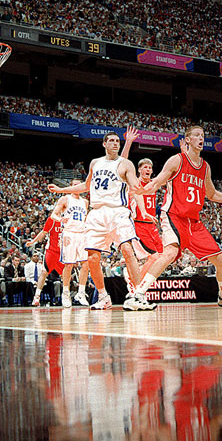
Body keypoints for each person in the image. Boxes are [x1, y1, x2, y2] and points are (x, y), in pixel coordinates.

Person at [125, 125, 222, 310]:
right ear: (188, 139)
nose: (201, 138)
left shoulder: (205, 167)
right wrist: (144, 189)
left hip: (194, 222)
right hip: (174, 216)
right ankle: (138, 295)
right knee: (170, 253)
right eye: (197, 135)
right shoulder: (177, 160)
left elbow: (212, 195)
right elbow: (157, 181)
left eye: (203, 135)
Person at [48, 130, 150, 310]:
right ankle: (103, 297)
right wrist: (61, 190)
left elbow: (135, 187)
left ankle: (139, 295)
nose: (115, 143)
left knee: (127, 249)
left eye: (117, 141)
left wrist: (143, 202)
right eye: (111, 140)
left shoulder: (126, 164)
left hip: (117, 211)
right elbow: (86, 186)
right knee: (92, 258)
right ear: (104, 144)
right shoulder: (95, 163)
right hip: (96, 213)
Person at [120, 133, 164, 288]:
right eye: (145, 167)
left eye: (150, 167)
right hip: (139, 224)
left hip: (152, 225)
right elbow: (122, 163)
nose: (148, 169)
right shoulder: (133, 182)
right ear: (139, 170)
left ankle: (135, 275)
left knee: (163, 257)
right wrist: (128, 142)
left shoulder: (153, 184)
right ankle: (136, 284)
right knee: (154, 257)